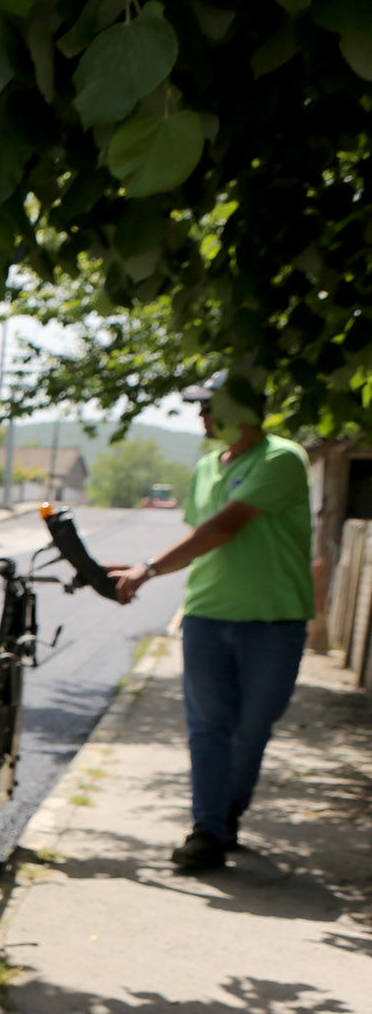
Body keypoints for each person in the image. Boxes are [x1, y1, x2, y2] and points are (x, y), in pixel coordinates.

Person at [110, 371, 313, 872]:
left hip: (274, 619)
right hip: (207, 612)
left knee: (252, 726)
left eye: (209, 407)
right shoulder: (205, 468)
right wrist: (138, 565)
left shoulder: (282, 458)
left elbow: (223, 527)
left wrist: (150, 569)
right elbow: (199, 538)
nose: (202, 416)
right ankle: (208, 830)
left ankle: (225, 819)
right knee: (207, 726)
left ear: (238, 411)